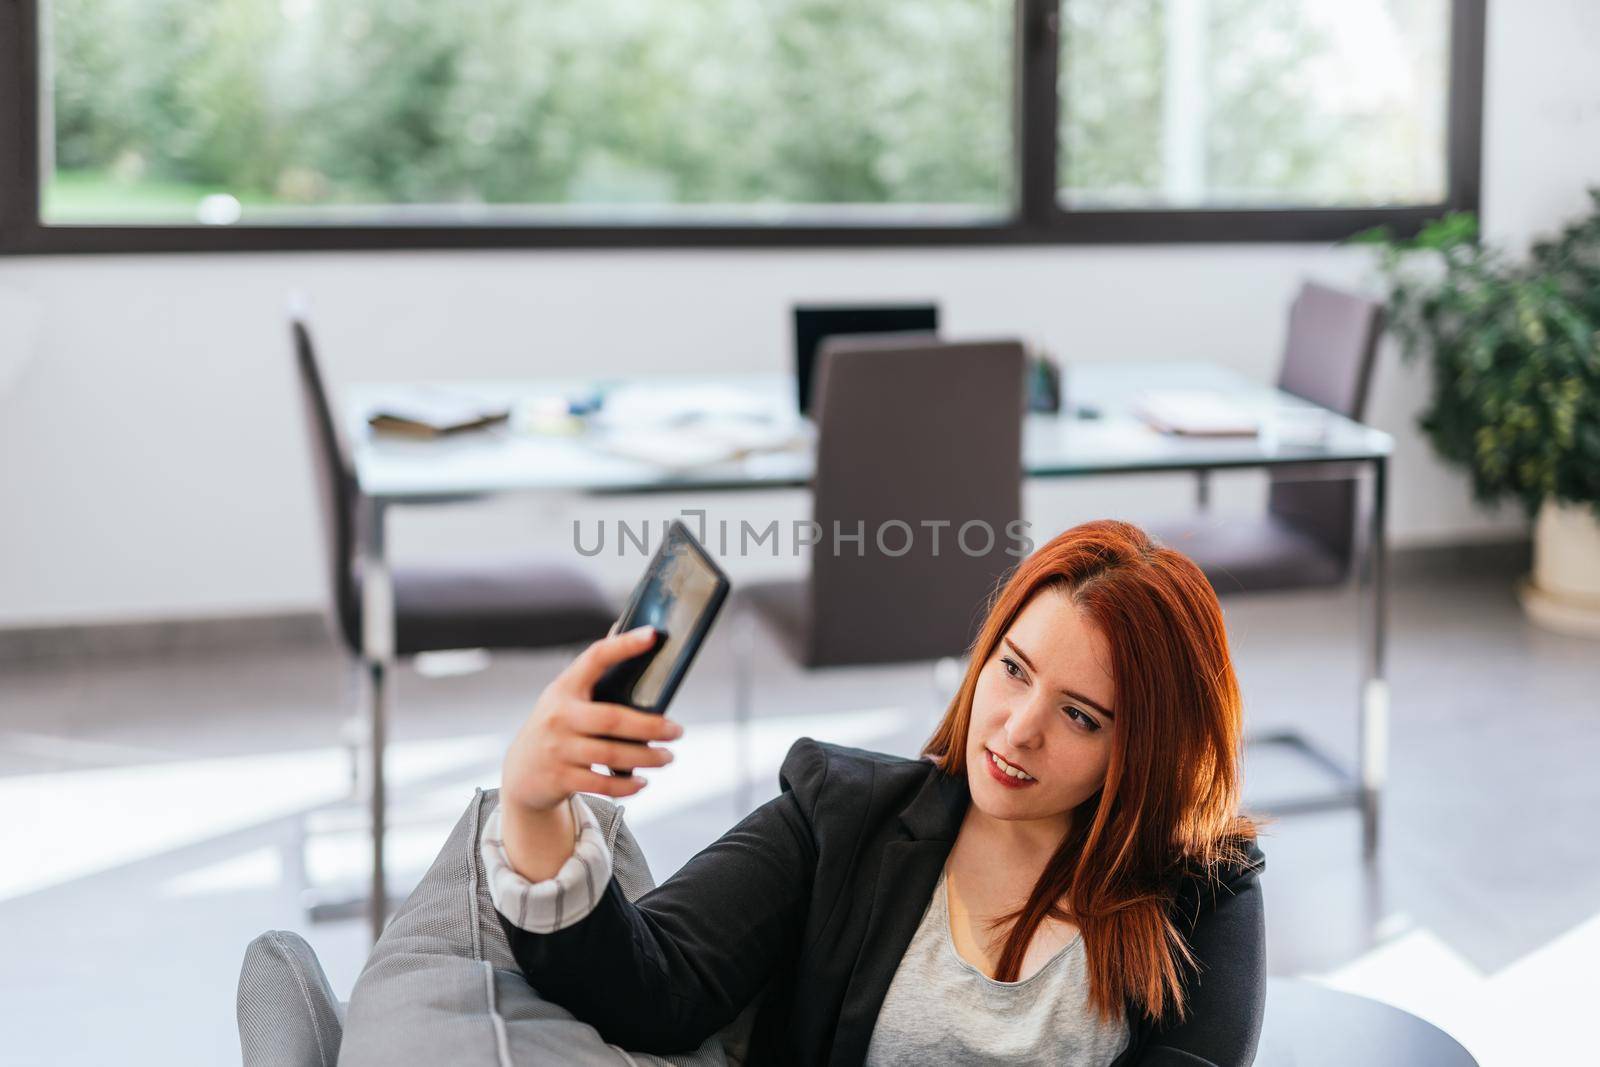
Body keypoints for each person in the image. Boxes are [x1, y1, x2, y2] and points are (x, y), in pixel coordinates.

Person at [483, 519, 1266, 1066]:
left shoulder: (1206, 887)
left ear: (1146, 748)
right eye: (1013, 668)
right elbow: (650, 989)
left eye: (1079, 715)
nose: (1019, 729)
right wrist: (531, 803)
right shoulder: (839, 815)